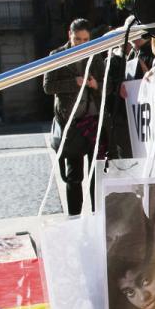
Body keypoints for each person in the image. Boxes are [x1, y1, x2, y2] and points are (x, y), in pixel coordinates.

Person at [42, 18, 106, 215]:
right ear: (70, 36)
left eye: (85, 39)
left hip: (94, 120)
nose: (81, 43)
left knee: (97, 173)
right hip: (71, 123)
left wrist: (97, 85)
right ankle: (75, 217)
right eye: (77, 39)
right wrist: (74, 82)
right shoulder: (56, 55)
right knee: (73, 175)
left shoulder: (95, 55)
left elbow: (107, 84)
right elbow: (48, 86)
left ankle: (97, 216)